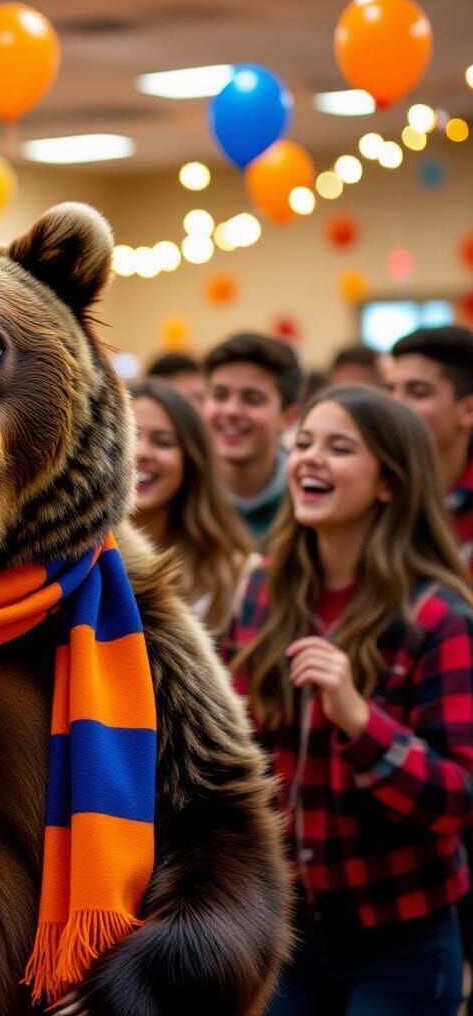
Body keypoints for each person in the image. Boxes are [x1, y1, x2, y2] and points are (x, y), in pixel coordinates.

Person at [225, 385, 473, 1015]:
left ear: (388, 482)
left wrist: (361, 721)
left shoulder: (436, 615)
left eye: (339, 448)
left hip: (401, 939)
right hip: (283, 926)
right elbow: (227, 747)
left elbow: (457, 798)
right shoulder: (261, 588)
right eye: (303, 443)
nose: (309, 459)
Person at [131, 379, 255, 634]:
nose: (142, 452)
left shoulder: (234, 574)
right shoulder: (69, 559)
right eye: (130, 437)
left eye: (163, 442)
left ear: (191, 461)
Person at [203, 332, 302, 543]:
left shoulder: (305, 498)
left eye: (252, 399)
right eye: (220, 395)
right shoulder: (183, 495)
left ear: (289, 418)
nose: (231, 411)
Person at [386, 325, 473, 566]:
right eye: (390, 390)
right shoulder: (375, 491)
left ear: (468, 410)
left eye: (418, 392)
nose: (395, 405)